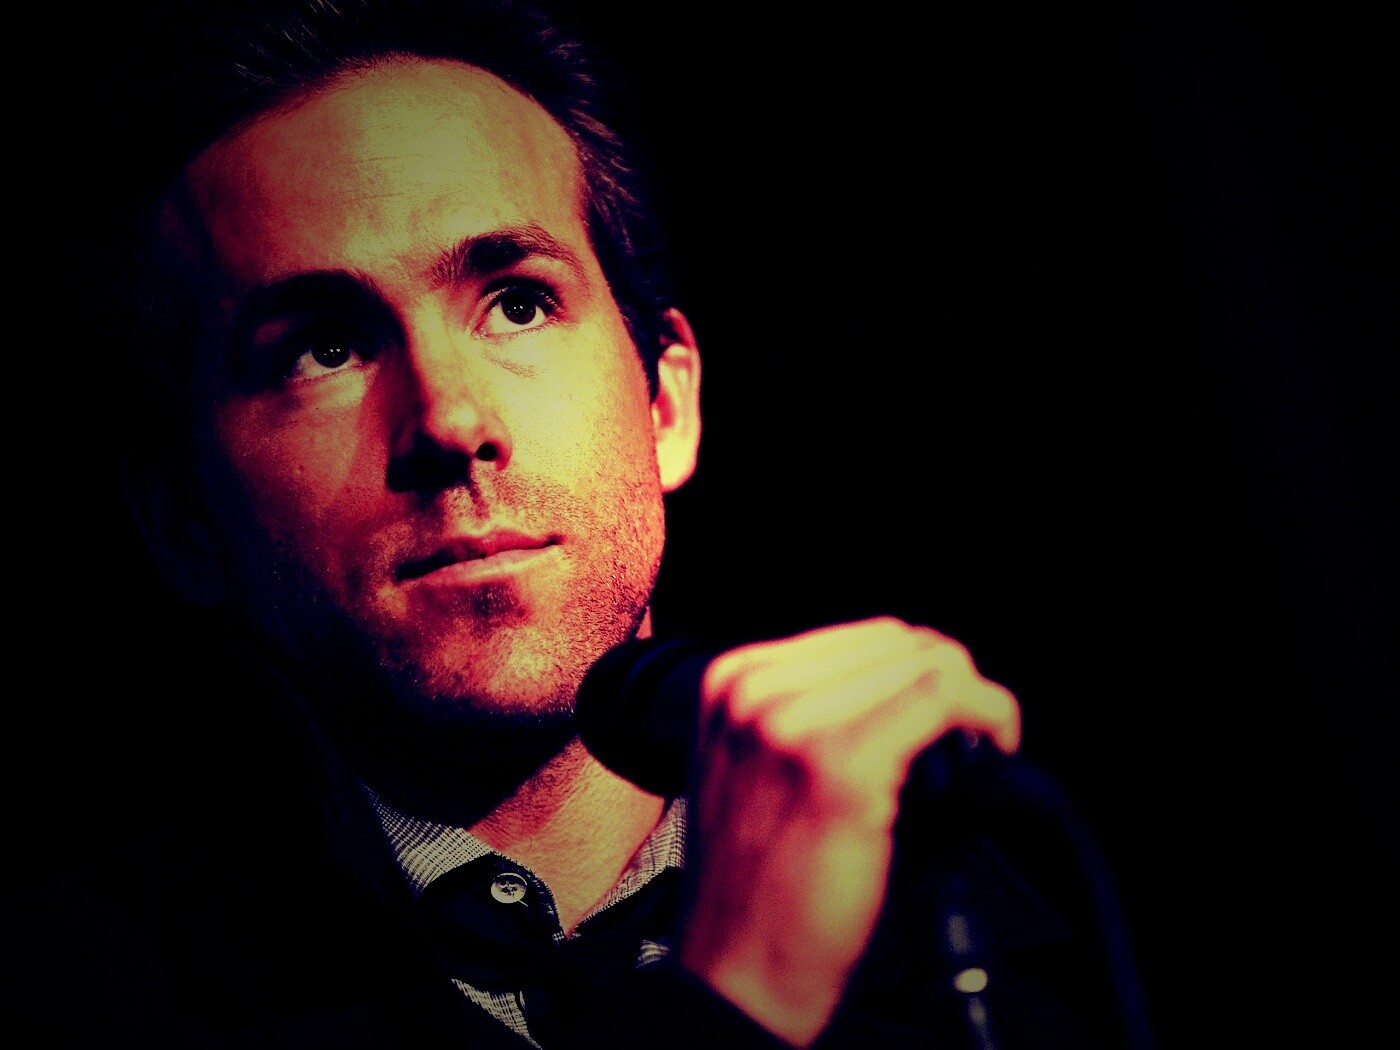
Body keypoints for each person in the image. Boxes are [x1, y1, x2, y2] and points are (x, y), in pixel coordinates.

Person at [10, 1, 1150, 1046]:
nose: (448, 421)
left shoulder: (1006, 927)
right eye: (324, 349)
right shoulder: (74, 1002)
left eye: (517, 303)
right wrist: (733, 999)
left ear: (666, 404)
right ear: (182, 519)